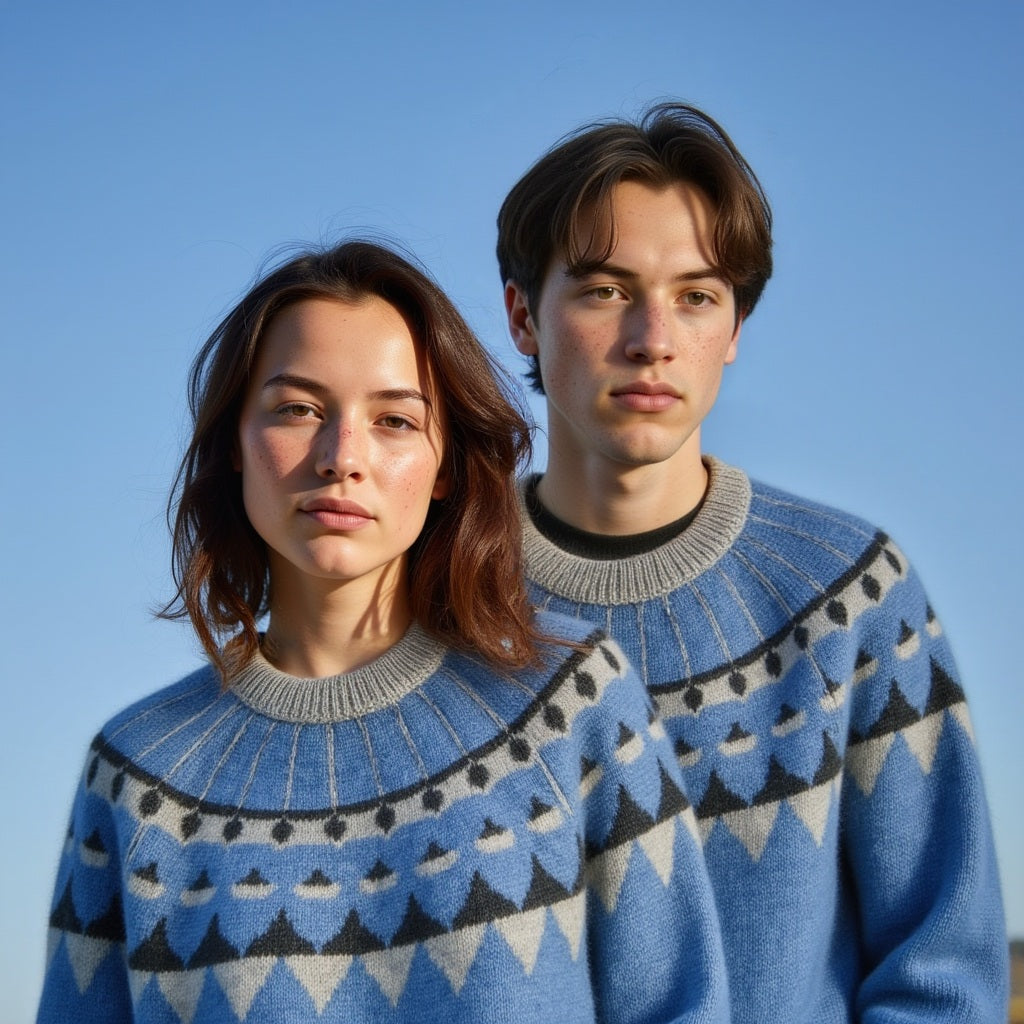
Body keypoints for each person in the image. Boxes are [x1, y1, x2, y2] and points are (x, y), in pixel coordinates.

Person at [37, 241, 729, 1023]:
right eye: (298, 410)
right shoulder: (137, 779)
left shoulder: (573, 706)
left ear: (444, 468)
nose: (342, 459)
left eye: (395, 419)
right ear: (235, 440)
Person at [497, 103, 1009, 1022]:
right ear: (522, 317)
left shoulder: (851, 598)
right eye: (606, 289)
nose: (653, 337)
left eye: (697, 295)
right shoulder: (430, 602)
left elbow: (945, 972)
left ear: (733, 330)